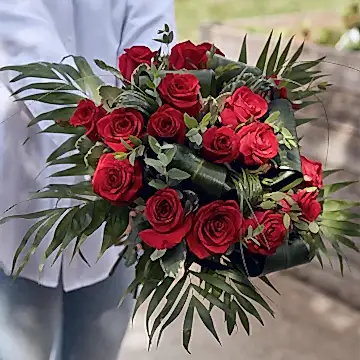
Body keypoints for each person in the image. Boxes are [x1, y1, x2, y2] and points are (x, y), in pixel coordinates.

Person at [0, 1, 176, 359]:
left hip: (120, 217)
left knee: (97, 349)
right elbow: (31, 52)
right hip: (25, 200)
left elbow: (156, 56)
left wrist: (148, 170)